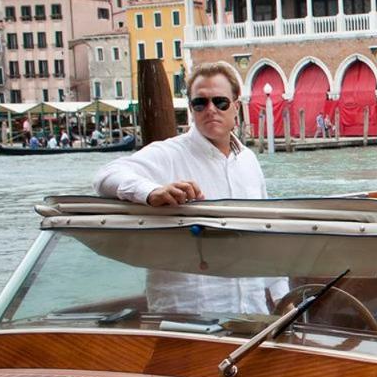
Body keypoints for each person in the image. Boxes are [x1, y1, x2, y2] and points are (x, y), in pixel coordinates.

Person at [94, 62, 277, 315]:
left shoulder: (248, 160)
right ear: (191, 109)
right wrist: (151, 192)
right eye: (200, 103)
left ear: (236, 105)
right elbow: (105, 176)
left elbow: (264, 236)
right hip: (187, 319)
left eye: (220, 102)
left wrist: (281, 297)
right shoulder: (169, 154)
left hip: (251, 314)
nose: (210, 109)